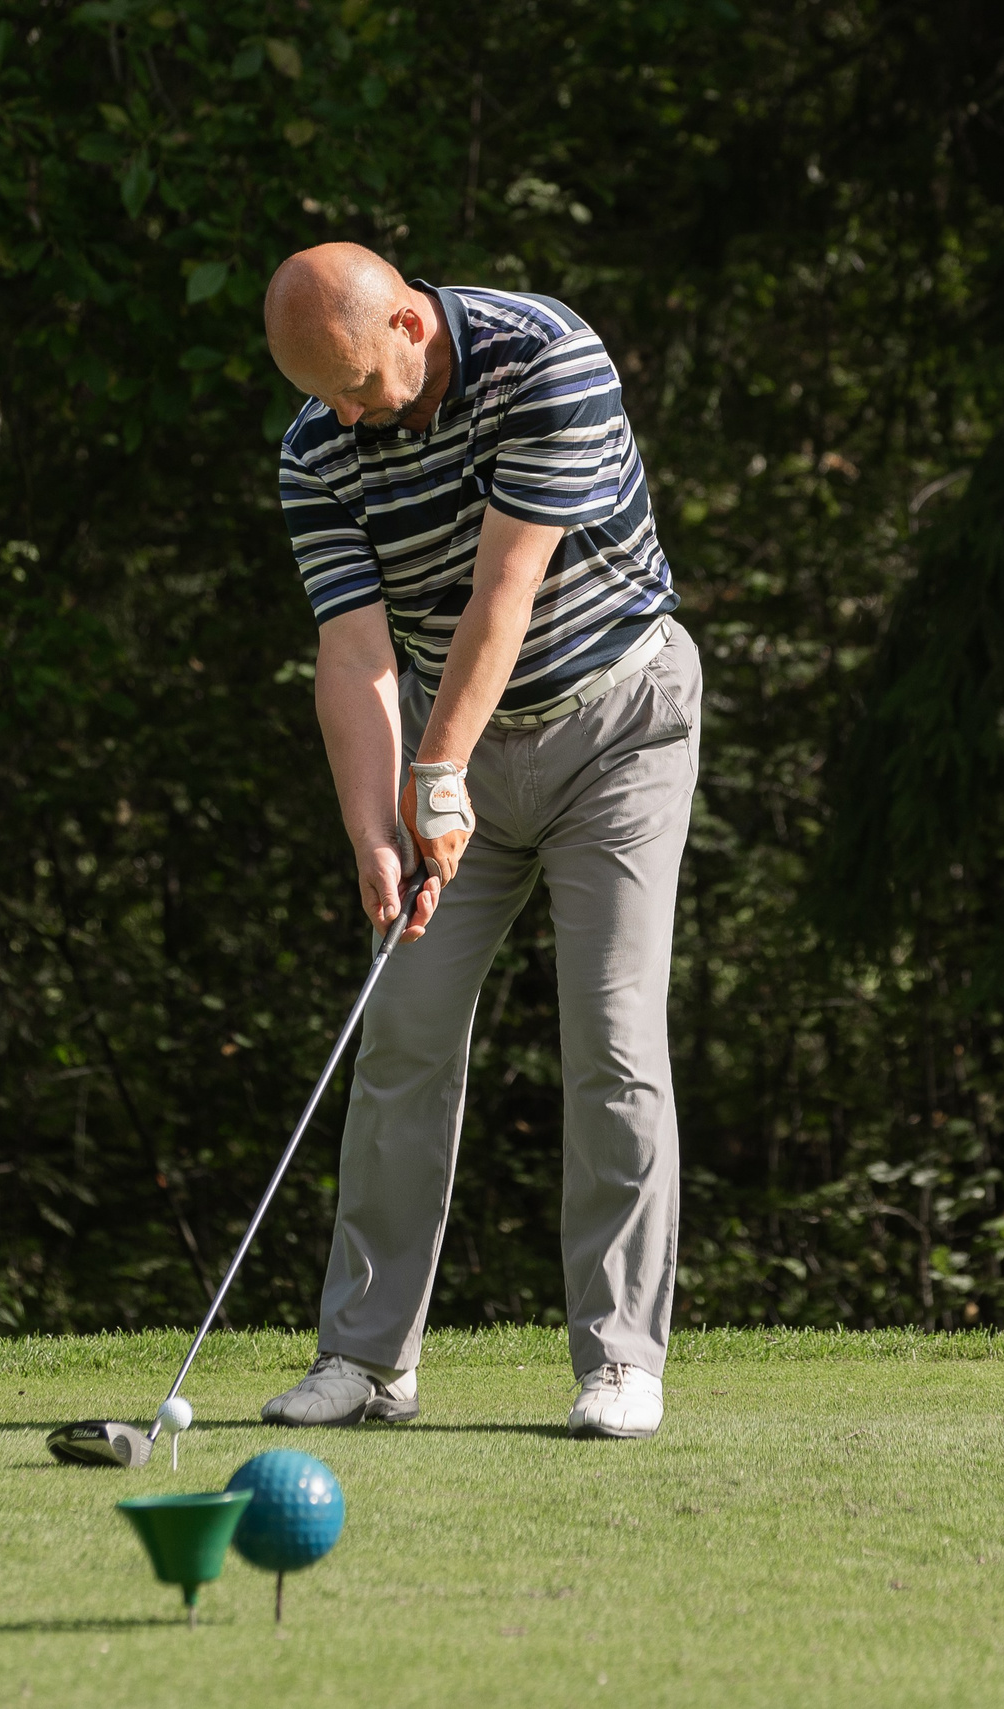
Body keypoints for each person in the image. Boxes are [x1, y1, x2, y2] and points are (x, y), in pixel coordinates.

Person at [257, 243, 700, 1440]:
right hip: (462, 758)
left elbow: (507, 591)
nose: (343, 415)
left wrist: (435, 770)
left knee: (609, 1032)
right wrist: (374, 829)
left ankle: (619, 1360)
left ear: (408, 321)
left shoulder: (547, 355)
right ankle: (365, 1359)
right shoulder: (316, 445)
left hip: (618, 727)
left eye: (356, 386)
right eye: (323, 397)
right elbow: (355, 653)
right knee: (400, 1031)